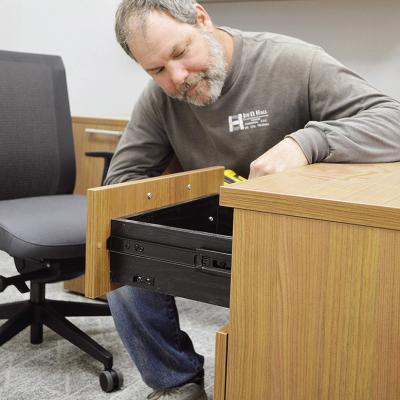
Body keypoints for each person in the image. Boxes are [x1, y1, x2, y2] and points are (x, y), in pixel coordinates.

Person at [105, 1, 400, 399]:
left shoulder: (294, 61)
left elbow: (392, 121)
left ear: (202, 18)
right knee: (119, 240)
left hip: (296, 239)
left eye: (180, 53)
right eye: (157, 70)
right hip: (217, 231)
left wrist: (306, 143)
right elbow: (121, 182)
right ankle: (174, 381)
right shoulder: (160, 99)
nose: (177, 77)